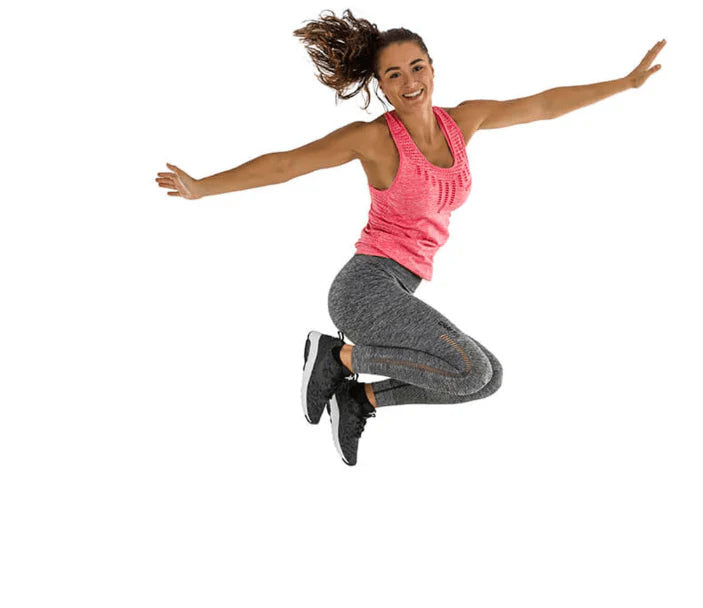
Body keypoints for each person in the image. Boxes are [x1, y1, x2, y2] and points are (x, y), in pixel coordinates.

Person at [155, 9, 665, 466]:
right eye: (393, 74)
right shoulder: (375, 139)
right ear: (381, 86)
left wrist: (626, 83)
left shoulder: (462, 121)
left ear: (433, 69)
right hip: (366, 289)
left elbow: (544, 105)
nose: (409, 81)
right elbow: (287, 164)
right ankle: (335, 356)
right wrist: (203, 187)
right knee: (468, 370)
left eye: (416, 67)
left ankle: (360, 398)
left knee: (487, 378)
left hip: (400, 288)